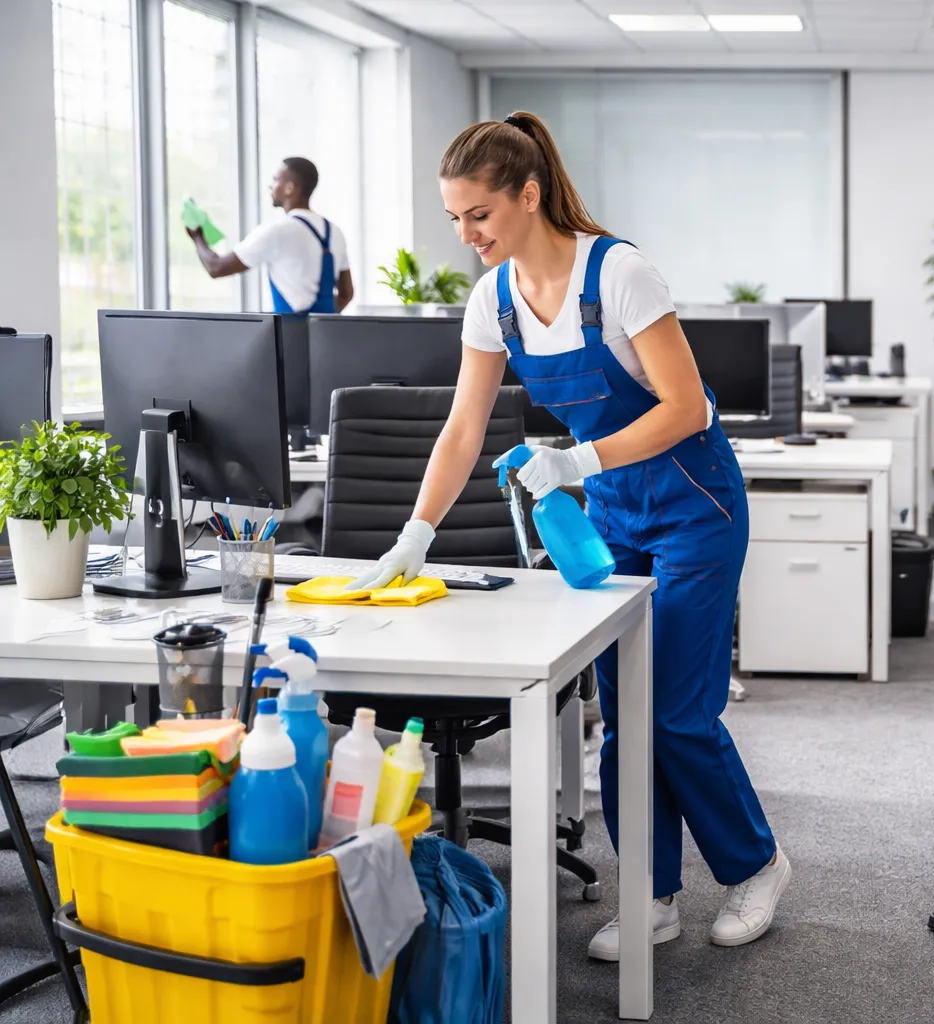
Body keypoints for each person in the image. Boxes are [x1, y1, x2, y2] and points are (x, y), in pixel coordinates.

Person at [345, 112, 790, 959]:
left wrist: (576, 459)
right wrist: (416, 533)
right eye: (453, 219)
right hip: (615, 509)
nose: (466, 234)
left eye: (478, 214)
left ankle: (756, 865)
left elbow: (686, 407)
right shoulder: (494, 299)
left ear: (528, 195)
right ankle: (651, 894)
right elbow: (462, 428)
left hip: (696, 504)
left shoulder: (617, 273)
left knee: (680, 715)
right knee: (623, 717)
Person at [188, 157, 353, 315]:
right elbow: (346, 293)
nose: (271, 186)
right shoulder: (334, 232)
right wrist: (319, 321)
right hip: (326, 338)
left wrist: (197, 237)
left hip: (290, 337)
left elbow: (216, 268)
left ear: (290, 188)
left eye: (275, 180)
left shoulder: (278, 231)